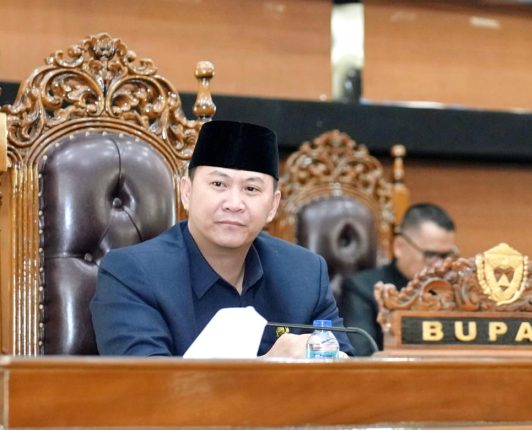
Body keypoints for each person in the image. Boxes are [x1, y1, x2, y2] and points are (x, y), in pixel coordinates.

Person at [91, 120, 353, 357]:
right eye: (218, 185)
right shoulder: (131, 274)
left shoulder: (306, 274)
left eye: (251, 188)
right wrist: (270, 367)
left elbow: (348, 373)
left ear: (273, 206)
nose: (234, 203)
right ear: (186, 192)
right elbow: (146, 386)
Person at [340, 203, 456, 356]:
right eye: (431, 255)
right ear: (399, 246)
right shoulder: (362, 289)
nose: (441, 266)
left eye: (446, 256)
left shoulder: (453, 290)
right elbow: (361, 358)